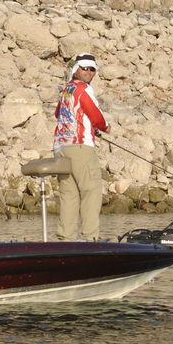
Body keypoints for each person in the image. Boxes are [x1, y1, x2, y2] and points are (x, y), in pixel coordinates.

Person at [52, 53, 111, 241]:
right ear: (76, 69)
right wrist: (105, 127)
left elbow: (58, 113)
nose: (89, 72)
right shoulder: (83, 88)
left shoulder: (67, 89)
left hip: (61, 147)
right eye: (85, 68)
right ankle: (90, 238)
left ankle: (66, 238)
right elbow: (96, 116)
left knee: (69, 194)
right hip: (80, 147)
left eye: (93, 69)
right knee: (91, 190)